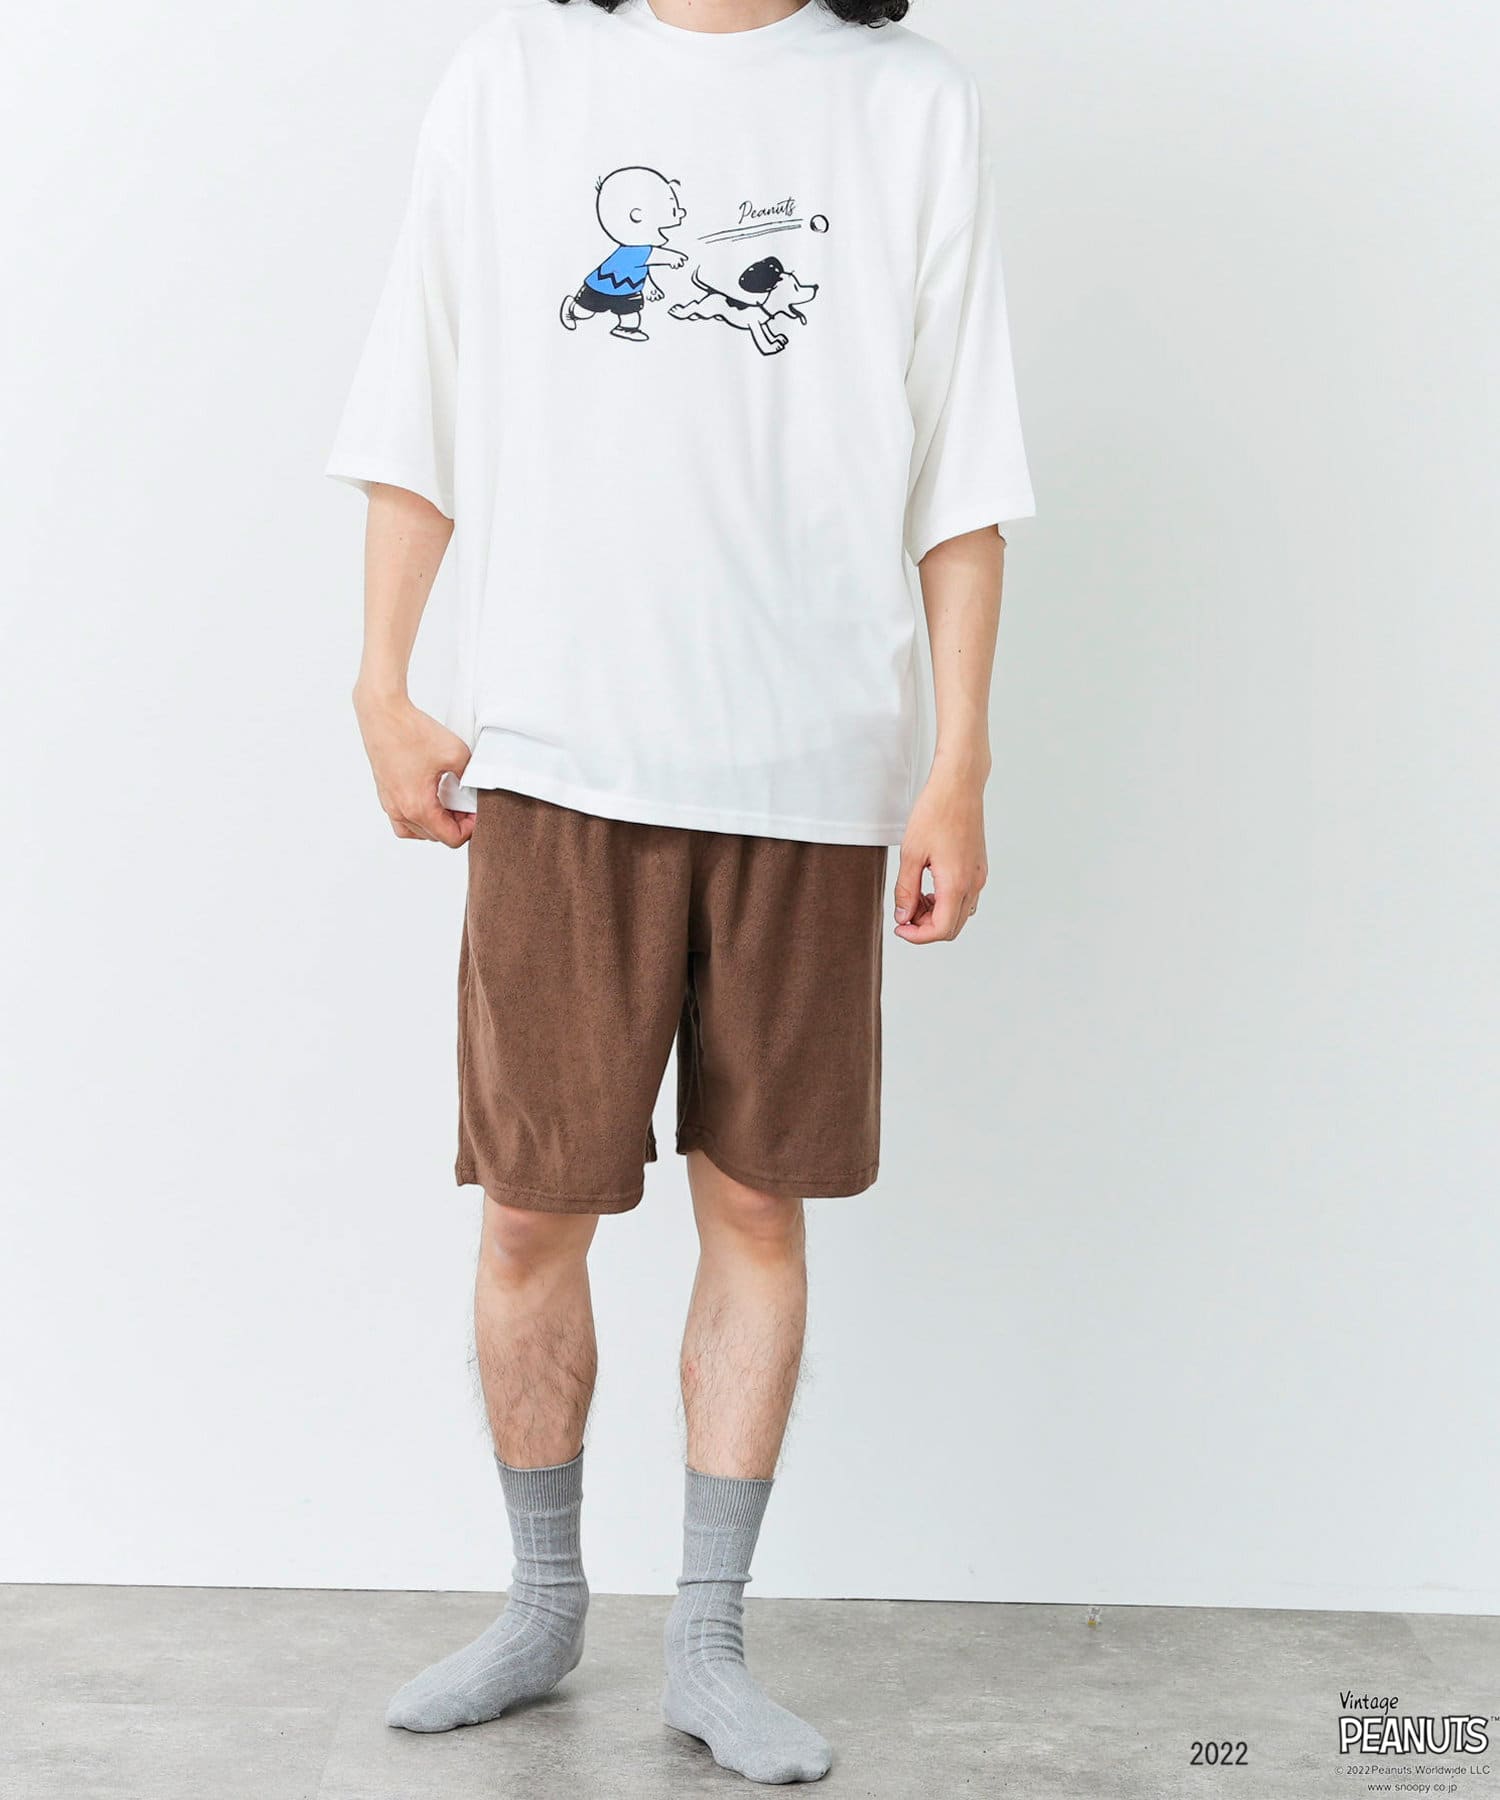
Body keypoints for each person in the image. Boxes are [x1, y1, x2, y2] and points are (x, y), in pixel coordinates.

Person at [327, 0, 1033, 1784]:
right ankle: (542, 1604)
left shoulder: (910, 105)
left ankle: (709, 1642)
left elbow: (961, 461)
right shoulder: (515, 81)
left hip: (812, 770)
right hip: (560, 757)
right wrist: (383, 678)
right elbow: (419, 391)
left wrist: (957, 760)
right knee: (528, 1212)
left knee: (760, 1210)